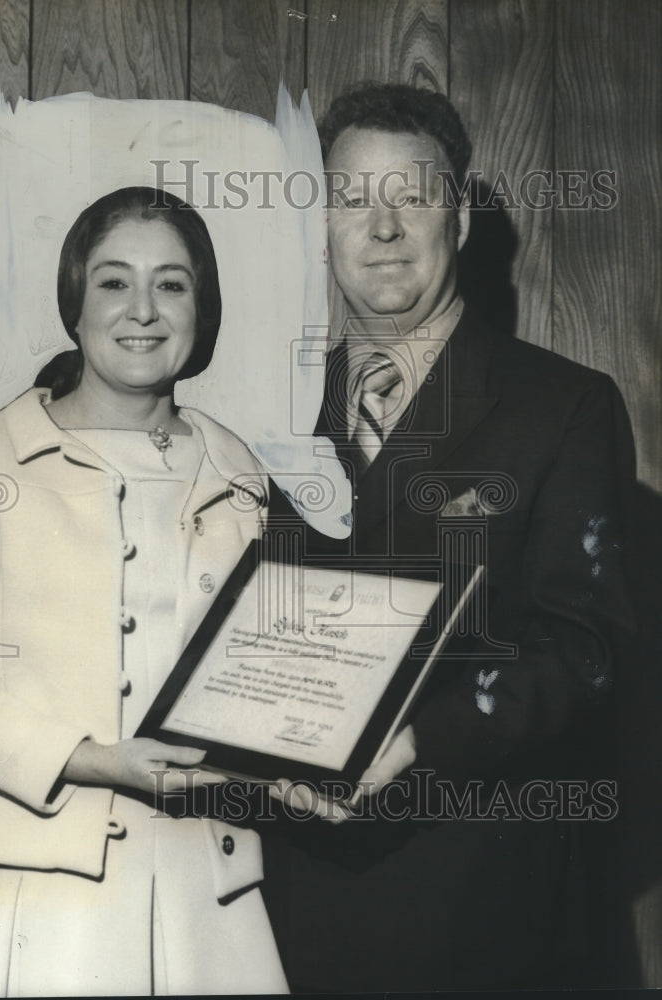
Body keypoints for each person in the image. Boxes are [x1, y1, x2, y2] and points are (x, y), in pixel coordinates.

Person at [261, 83, 636, 992]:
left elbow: (584, 648)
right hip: (280, 904)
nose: (382, 228)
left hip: (479, 905)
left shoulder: (562, 406)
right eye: (353, 199)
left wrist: (418, 744)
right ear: (321, 227)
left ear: (459, 218)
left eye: (411, 197)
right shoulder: (262, 406)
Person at [0, 186, 288, 997]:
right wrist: (92, 761)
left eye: (171, 284)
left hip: (208, 896)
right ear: (74, 304)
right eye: (113, 282)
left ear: (201, 310)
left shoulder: (241, 472)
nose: (142, 309)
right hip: (35, 891)